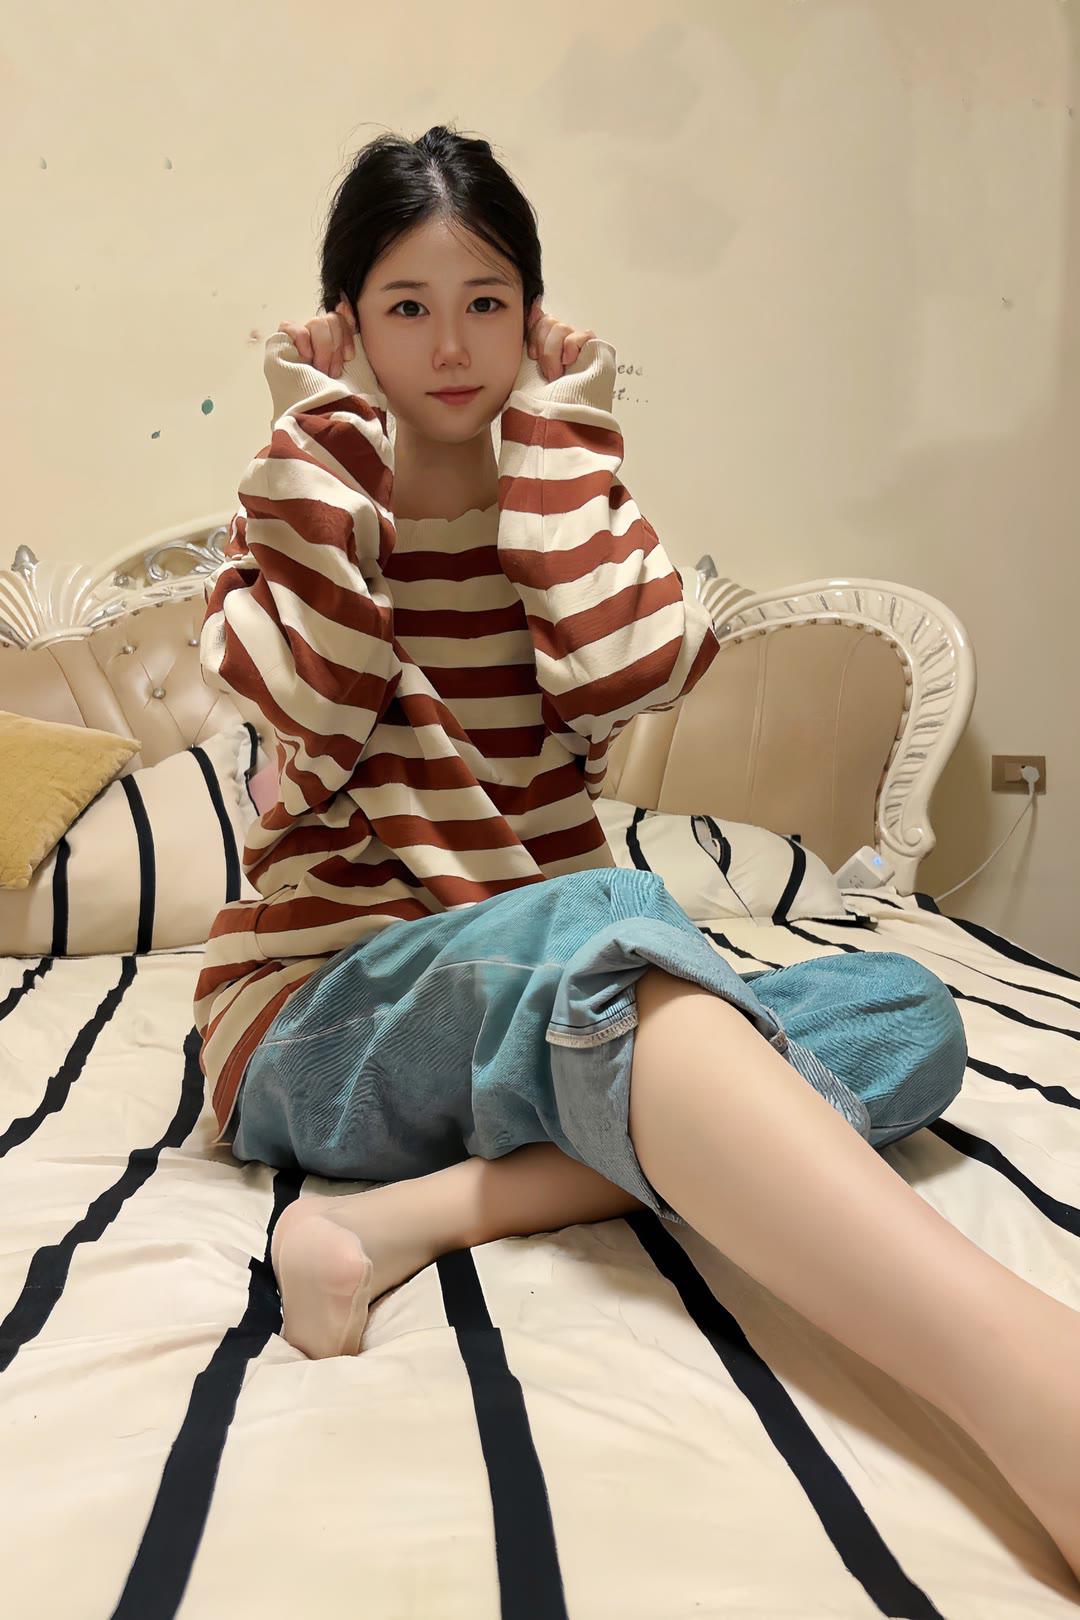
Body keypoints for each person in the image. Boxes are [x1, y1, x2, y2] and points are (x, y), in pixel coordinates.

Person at [195, 123, 1080, 1586]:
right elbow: (325, 701)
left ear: (534, 318)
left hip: (555, 996)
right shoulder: (284, 522)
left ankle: (407, 1221)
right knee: (603, 918)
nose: (451, 345)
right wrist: (318, 448)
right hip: (326, 1013)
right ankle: (1034, 1382)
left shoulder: (569, 503)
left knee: (902, 1012)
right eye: (406, 306)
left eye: (486, 301)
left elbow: (633, 670)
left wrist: (558, 444)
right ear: (346, 325)